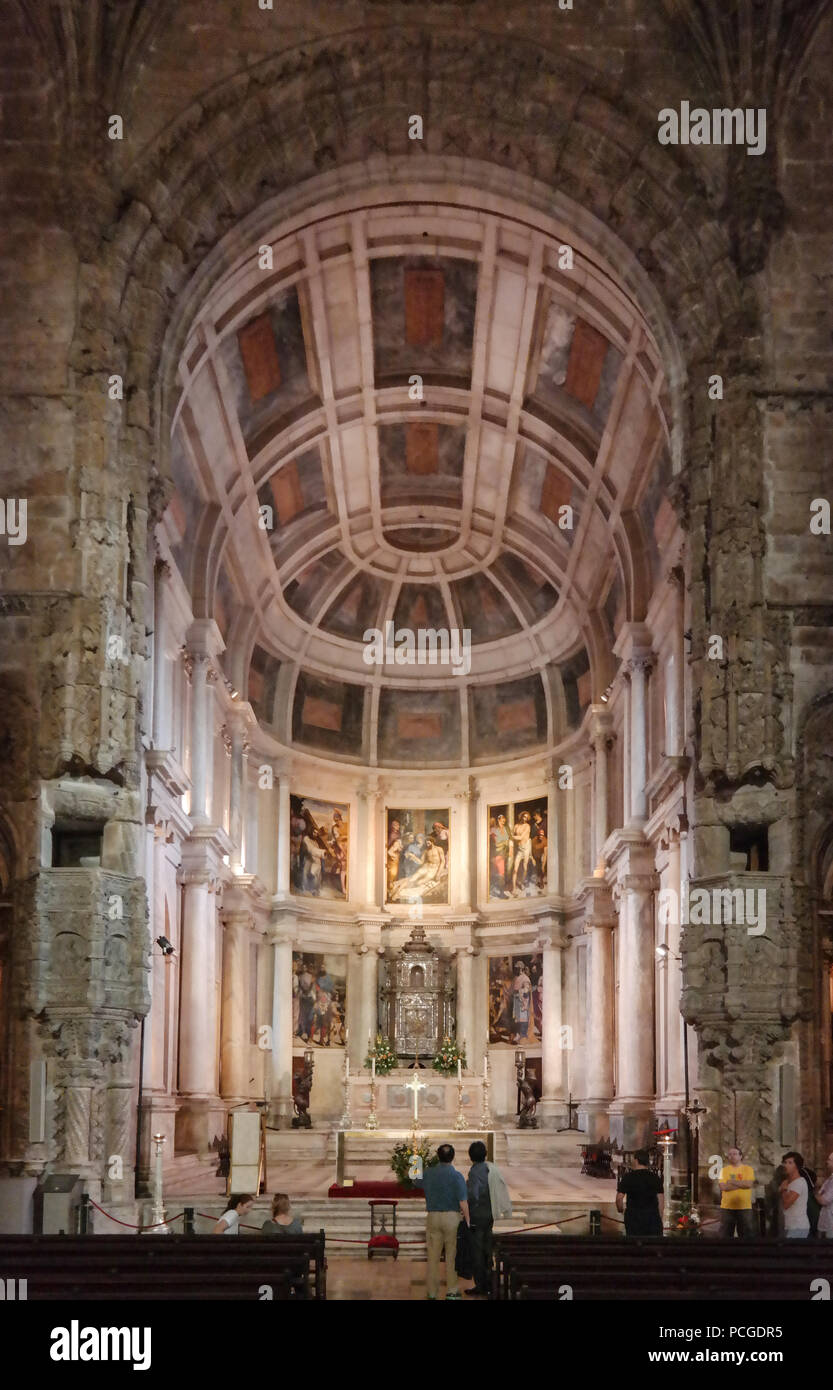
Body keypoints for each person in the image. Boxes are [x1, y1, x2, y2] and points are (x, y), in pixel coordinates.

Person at [421, 1143, 470, 1300]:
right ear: (453, 1157)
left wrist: (414, 1159)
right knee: (451, 1255)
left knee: (433, 1256)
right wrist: (468, 1220)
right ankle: (452, 1290)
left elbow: (414, 1180)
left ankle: (432, 1291)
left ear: (438, 1156)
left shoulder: (428, 1174)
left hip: (433, 1216)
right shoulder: (456, 1176)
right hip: (452, 1218)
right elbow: (463, 1201)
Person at [616, 1151, 664, 1236]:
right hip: (651, 1217)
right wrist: (659, 1217)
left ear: (636, 1160)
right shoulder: (655, 1178)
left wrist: (621, 1210)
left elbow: (619, 1198)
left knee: (633, 1245)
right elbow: (661, 1200)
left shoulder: (628, 1177)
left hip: (633, 1217)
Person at [717, 1145, 756, 1237]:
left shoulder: (748, 1169)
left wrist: (732, 1182)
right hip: (727, 1207)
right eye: (730, 1154)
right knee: (725, 1233)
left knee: (746, 1233)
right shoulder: (724, 1170)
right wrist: (741, 1184)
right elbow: (723, 1187)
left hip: (744, 1206)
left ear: (740, 1156)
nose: (732, 1156)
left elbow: (748, 1184)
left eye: (734, 1154)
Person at [780, 1151, 811, 1238]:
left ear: (797, 1166)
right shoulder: (787, 1182)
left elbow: (786, 1204)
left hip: (798, 1226)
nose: (786, 1165)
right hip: (790, 1225)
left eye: (790, 1163)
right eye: (785, 1162)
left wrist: (783, 1189)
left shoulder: (799, 1182)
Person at [815, 1151, 833, 1238]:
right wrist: (819, 1194)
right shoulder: (830, 1179)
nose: (827, 1162)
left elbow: (824, 1200)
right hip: (826, 1220)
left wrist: (816, 1194)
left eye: (829, 1160)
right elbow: (820, 1193)